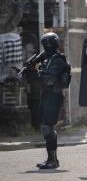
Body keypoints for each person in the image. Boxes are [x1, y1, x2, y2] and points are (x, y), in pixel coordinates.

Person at [24, 32, 68, 169]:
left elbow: (48, 79)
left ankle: (53, 160)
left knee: (47, 127)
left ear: (54, 44)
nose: (46, 47)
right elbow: (38, 79)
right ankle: (51, 158)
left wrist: (33, 73)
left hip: (53, 96)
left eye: (48, 44)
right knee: (45, 127)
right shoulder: (46, 59)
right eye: (45, 44)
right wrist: (28, 71)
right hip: (46, 95)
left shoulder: (58, 60)